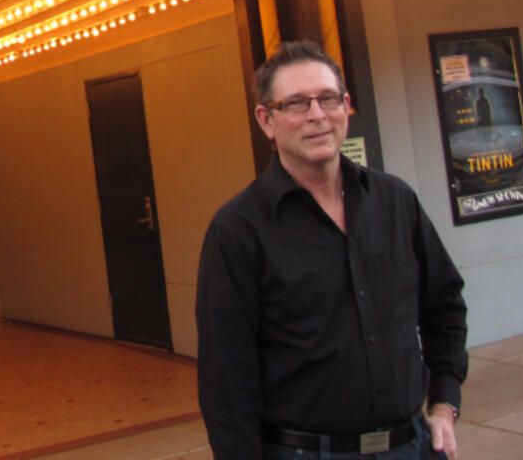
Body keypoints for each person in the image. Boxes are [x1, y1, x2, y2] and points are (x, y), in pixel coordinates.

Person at [196, 40, 468, 460]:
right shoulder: (237, 230)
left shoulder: (395, 201)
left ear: (346, 105)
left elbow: (444, 304)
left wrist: (445, 403)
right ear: (266, 120)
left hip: (411, 447)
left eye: (328, 99)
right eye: (297, 104)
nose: (317, 116)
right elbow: (226, 380)